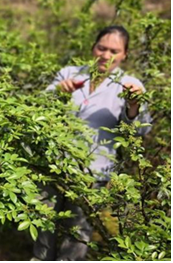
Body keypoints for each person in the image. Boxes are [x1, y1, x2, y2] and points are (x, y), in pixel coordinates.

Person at [32, 26, 151, 261]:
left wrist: (133, 106)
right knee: (41, 222)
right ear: (92, 47)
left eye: (114, 51)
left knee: (77, 233)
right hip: (52, 164)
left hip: (92, 172)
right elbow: (36, 109)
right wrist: (58, 91)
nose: (106, 55)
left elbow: (141, 131)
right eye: (102, 48)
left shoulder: (130, 85)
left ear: (125, 55)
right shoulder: (70, 73)